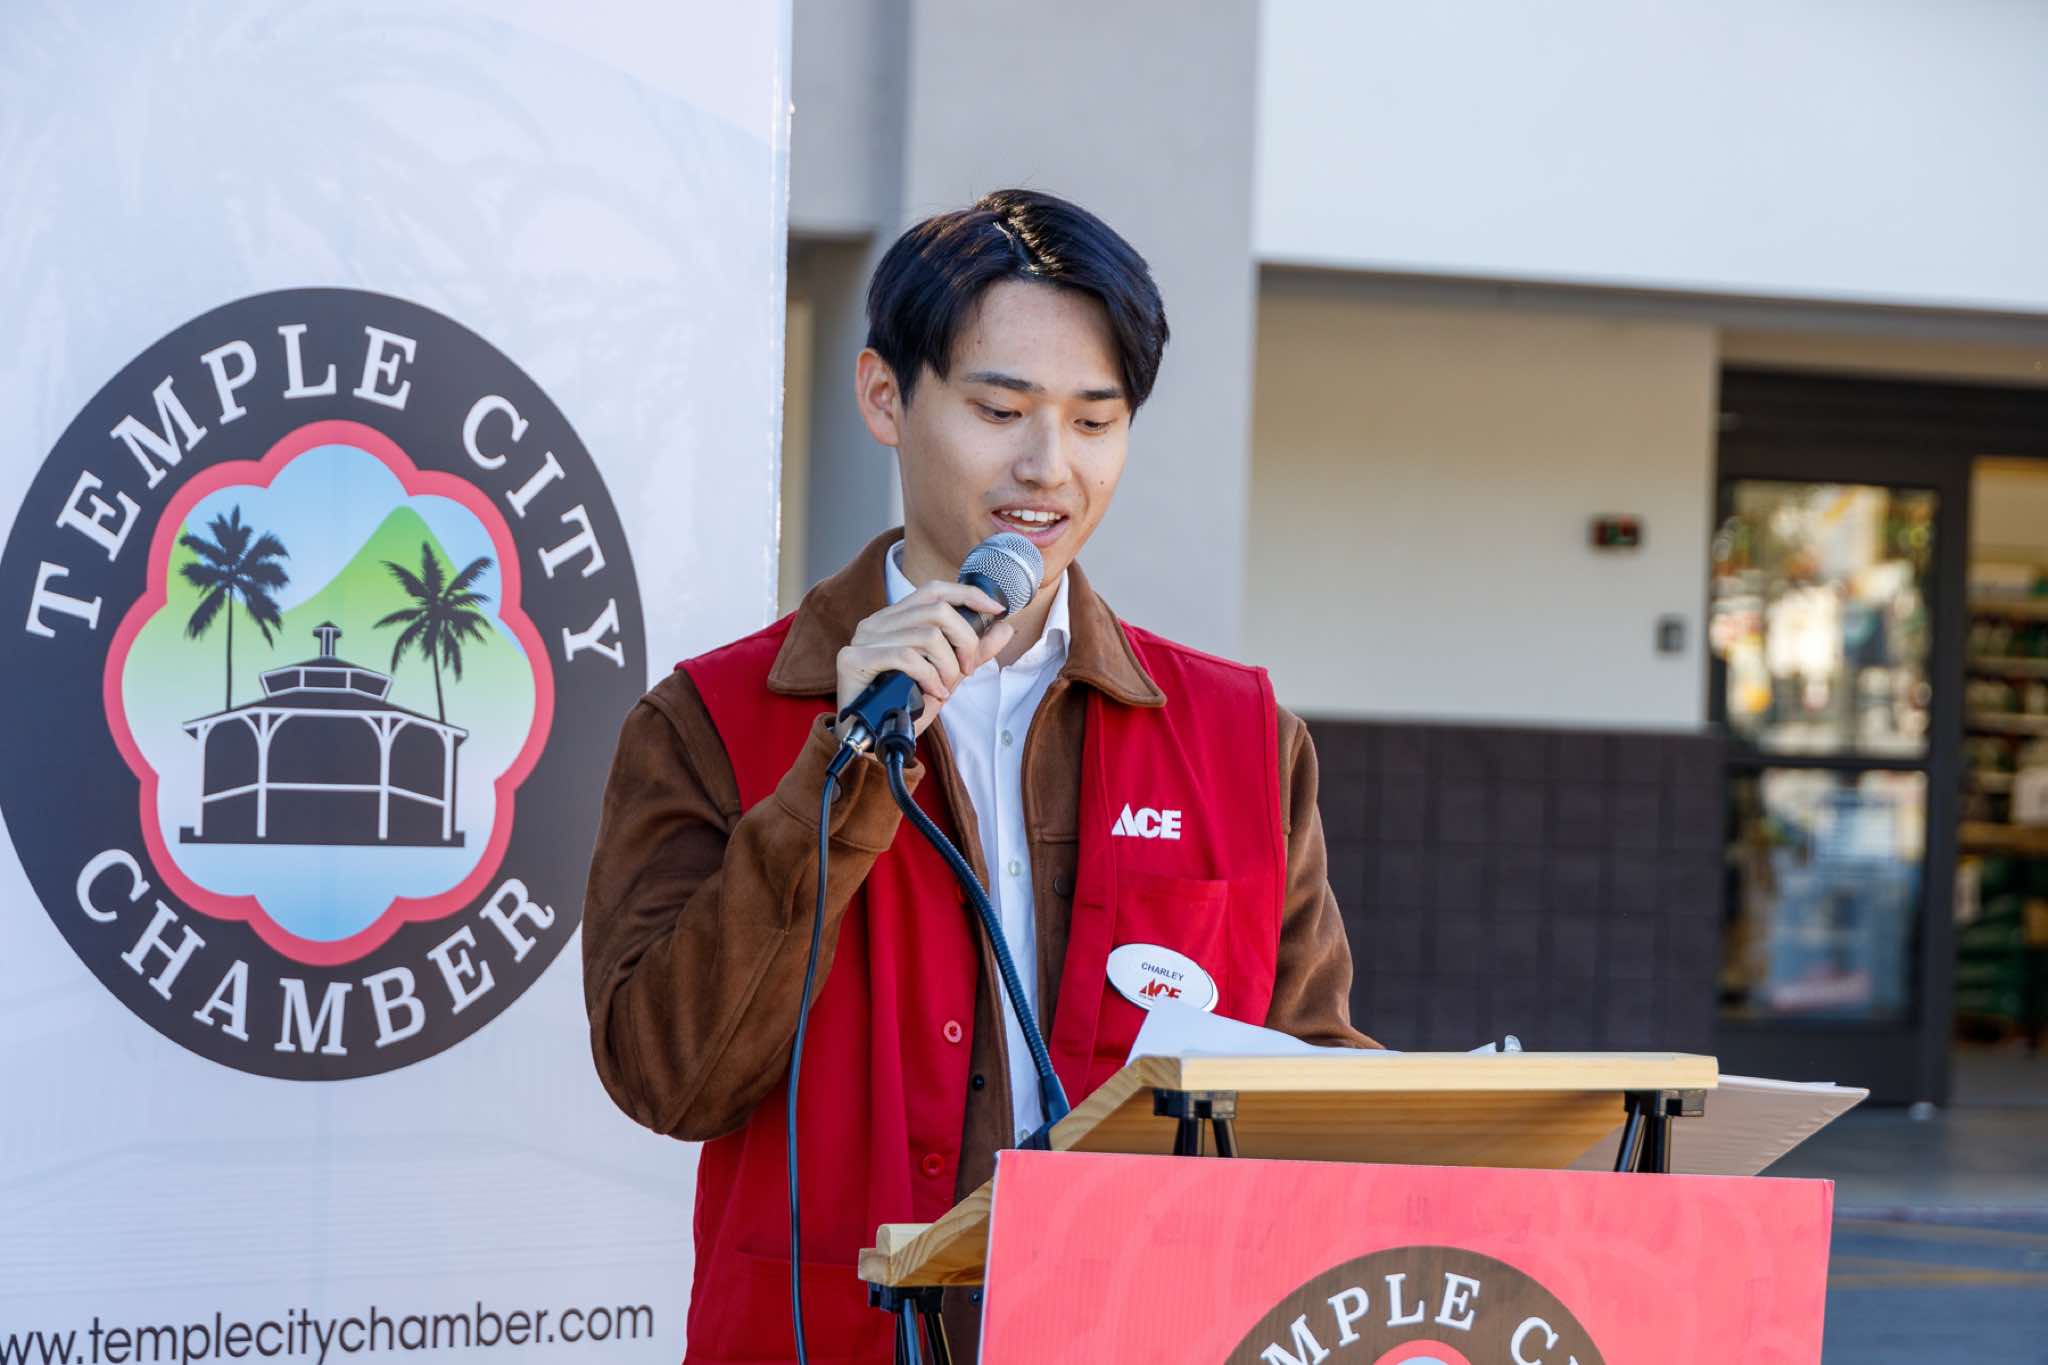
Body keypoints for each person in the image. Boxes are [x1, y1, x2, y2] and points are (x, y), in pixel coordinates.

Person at [581, 188, 1374, 1364]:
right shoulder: (712, 718)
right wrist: (839, 769)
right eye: (999, 410)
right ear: (883, 397)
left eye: (1095, 421)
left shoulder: (1240, 739)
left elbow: (1311, 1088)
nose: (1047, 467)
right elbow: (668, 1078)